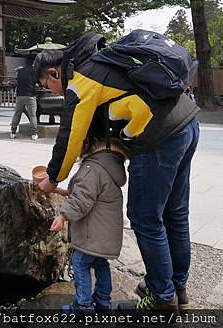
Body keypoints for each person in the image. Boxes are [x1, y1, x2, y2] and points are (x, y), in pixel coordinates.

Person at [34, 32, 199, 313]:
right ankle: (176, 288)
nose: (51, 91)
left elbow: (70, 135)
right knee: (174, 213)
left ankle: (162, 299)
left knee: (145, 218)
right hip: (187, 124)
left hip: (158, 137)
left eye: (46, 84)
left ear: (54, 71)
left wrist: (53, 178)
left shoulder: (81, 78)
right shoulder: (104, 62)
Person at [50, 136, 127, 315]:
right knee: (100, 263)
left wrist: (63, 216)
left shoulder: (92, 168)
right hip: (105, 233)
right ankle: (103, 303)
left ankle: (83, 307)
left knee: (79, 262)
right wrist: (64, 191)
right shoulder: (108, 166)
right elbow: (91, 191)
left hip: (92, 233)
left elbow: (82, 199)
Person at [10, 58, 38, 140]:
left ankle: (13, 132)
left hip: (20, 95)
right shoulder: (33, 71)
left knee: (17, 114)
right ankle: (34, 134)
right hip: (30, 95)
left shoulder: (20, 71)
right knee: (32, 115)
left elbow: (17, 82)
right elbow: (35, 82)